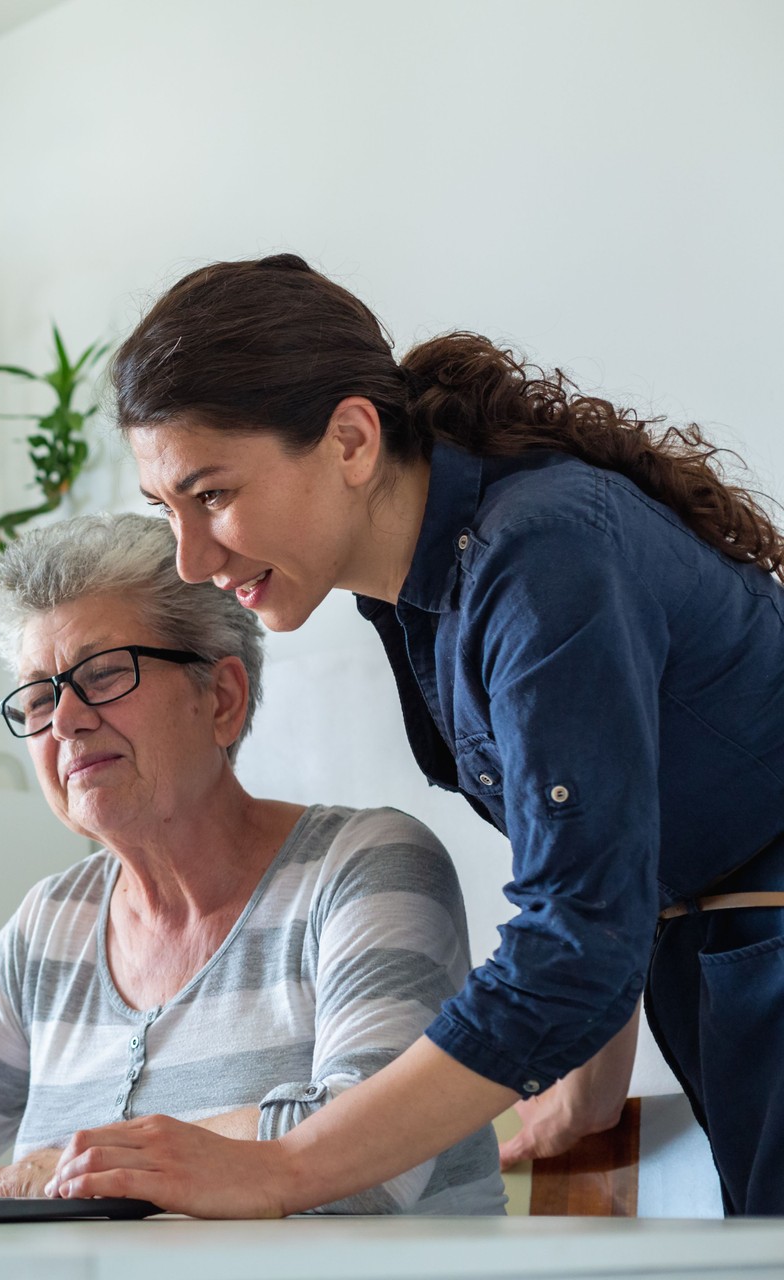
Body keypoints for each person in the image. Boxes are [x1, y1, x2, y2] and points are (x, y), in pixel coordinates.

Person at [51, 253, 784, 1217]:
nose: (191, 559)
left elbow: (575, 935)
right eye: (168, 511)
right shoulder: (419, 596)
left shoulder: (542, 559)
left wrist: (285, 1167)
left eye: (214, 495)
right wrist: (594, 1074)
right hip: (725, 965)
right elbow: (601, 844)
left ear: (352, 439)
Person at [0, 512, 505, 1213]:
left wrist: (64, 1165)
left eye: (103, 675)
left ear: (220, 699)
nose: (64, 720)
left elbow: (368, 1156)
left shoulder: (362, 869)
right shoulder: (53, 927)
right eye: (38, 696)